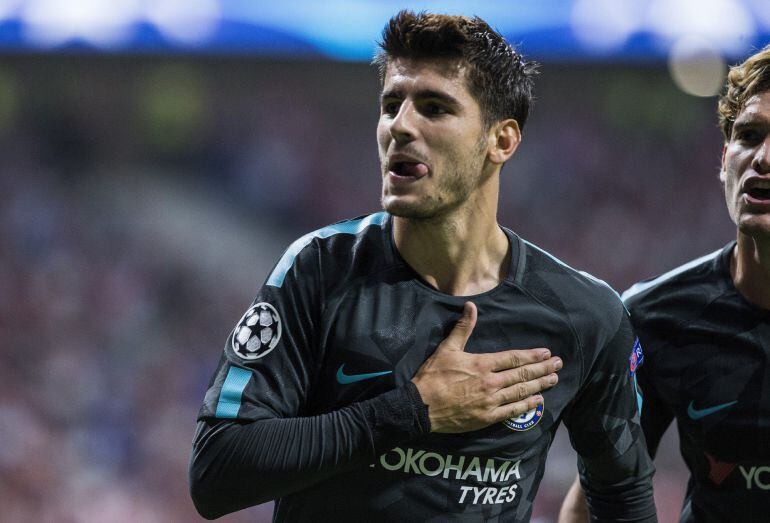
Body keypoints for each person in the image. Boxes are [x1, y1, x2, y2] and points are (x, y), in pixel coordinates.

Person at [189, 11, 655, 522]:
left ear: (502, 141)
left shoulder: (584, 313)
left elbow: (623, 498)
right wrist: (413, 412)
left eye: (434, 108)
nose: (400, 126)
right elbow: (216, 471)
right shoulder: (320, 269)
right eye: (391, 105)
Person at [559, 45, 770, 523]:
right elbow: (596, 498)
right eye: (749, 136)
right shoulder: (655, 316)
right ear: (723, 160)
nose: (762, 158)